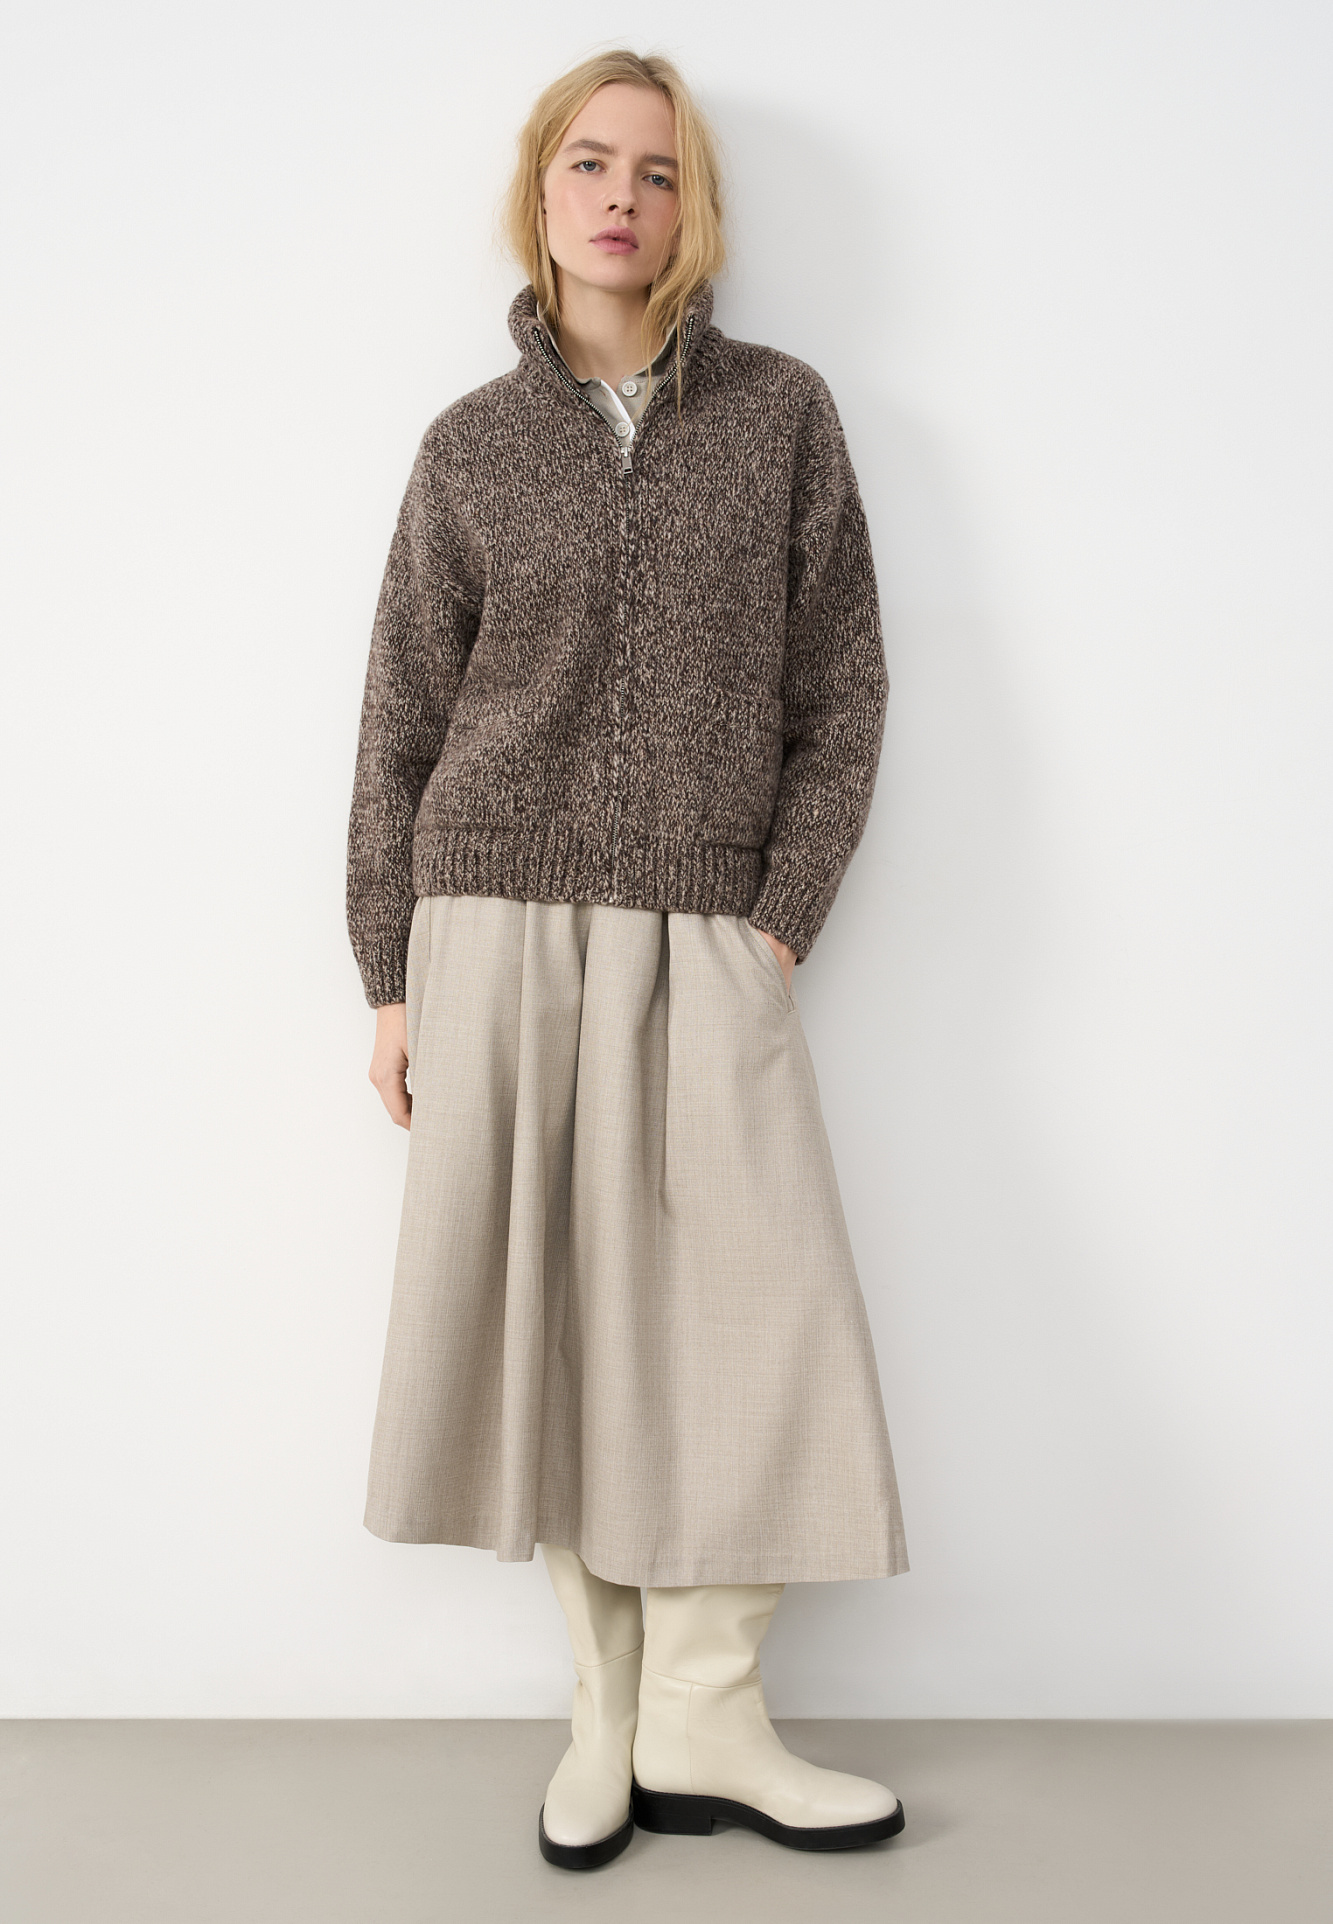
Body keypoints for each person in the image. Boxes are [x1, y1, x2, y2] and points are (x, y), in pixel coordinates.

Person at [346, 47, 909, 1871]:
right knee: (561, 1328)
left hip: (705, 927)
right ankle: (607, 1721)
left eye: (656, 173)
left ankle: (706, 1714)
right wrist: (387, 974)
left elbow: (842, 692)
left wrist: (779, 916)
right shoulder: (469, 447)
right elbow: (401, 720)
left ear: (692, 210)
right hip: (495, 930)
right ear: (541, 192)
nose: (620, 198)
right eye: (589, 164)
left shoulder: (783, 416)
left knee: (750, 1315)